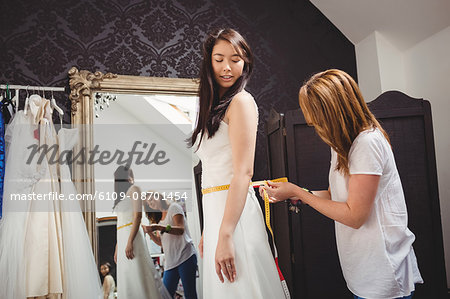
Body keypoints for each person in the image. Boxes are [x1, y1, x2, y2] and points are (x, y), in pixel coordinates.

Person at [260, 69, 423, 299]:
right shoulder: (342, 146)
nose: (316, 128)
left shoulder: (367, 143)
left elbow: (355, 216)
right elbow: (334, 194)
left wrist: (299, 192)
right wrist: (296, 193)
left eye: (318, 121)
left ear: (335, 113)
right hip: (361, 268)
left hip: (382, 270)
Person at [189, 28, 287, 299]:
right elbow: (211, 172)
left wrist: (227, 233)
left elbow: (243, 172)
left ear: (246, 62)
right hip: (217, 213)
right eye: (219, 59)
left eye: (235, 59)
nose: (227, 67)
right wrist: (211, 229)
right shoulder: (212, 106)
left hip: (235, 216)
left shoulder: (242, 101)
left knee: (242, 287)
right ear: (209, 61)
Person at [113, 166, 170, 299]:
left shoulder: (135, 189)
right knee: (127, 276)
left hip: (132, 237)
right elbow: (119, 223)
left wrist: (129, 242)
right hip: (122, 237)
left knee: (138, 272)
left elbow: (137, 216)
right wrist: (118, 246)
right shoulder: (120, 196)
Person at [142, 192, 198, 299]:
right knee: (164, 295)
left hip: (185, 256)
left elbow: (180, 229)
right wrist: (149, 231)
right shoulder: (158, 218)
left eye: (151, 200)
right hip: (171, 262)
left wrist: (158, 227)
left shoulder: (174, 207)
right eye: (148, 203)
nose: (150, 203)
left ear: (158, 197)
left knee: (190, 294)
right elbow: (160, 242)